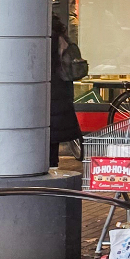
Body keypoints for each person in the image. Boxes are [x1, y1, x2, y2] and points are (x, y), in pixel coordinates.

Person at [49, 16, 84, 169]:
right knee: (54, 129)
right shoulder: (63, 39)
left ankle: (50, 163)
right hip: (63, 87)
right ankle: (52, 163)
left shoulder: (48, 39)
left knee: (49, 129)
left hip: (52, 87)